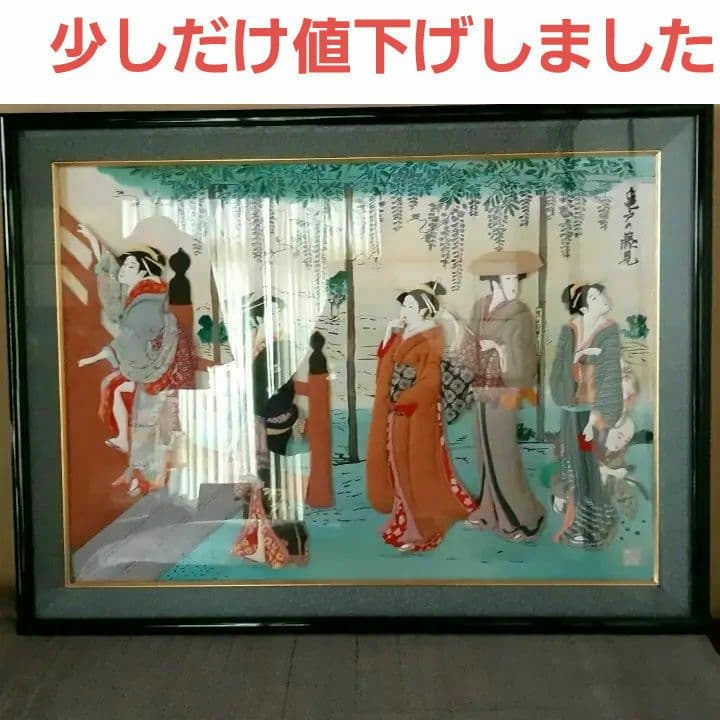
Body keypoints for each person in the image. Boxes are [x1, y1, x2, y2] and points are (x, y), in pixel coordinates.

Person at [76, 225, 197, 493]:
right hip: (152, 367)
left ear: (145, 271)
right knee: (125, 400)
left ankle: (147, 479)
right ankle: (139, 471)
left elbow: (134, 337)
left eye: (130, 266)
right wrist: (96, 245)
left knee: (150, 424)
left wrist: (108, 353)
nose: (123, 271)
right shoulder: (141, 296)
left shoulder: (148, 302)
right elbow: (116, 305)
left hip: (158, 369)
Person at [366, 281, 477, 553]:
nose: (404, 310)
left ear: (425, 310)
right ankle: (405, 519)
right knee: (399, 464)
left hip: (418, 411)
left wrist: (407, 398)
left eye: (410, 306)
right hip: (399, 409)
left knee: (417, 467)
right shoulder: (403, 331)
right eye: (403, 305)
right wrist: (388, 332)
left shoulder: (431, 334)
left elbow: (430, 379)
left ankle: (419, 529)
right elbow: (386, 363)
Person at [455, 251, 546, 542]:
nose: (514, 286)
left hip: (506, 388)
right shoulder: (480, 306)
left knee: (503, 451)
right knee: (484, 449)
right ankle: (487, 511)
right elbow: (469, 343)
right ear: (494, 282)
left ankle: (521, 518)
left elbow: (524, 357)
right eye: (508, 280)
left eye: (516, 280)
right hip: (482, 387)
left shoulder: (521, 314)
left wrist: (499, 348)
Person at [549, 282, 624, 549]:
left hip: (593, 415)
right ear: (582, 306)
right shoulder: (569, 330)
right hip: (572, 412)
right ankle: (579, 522)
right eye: (593, 296)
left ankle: (594, 527)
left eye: (600, 293)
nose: (602, 298)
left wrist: (595, 418)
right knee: (574, 465)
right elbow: (558, 370)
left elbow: (610, 375)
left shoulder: (608, 331)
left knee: (590, 466)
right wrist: (577, 358)